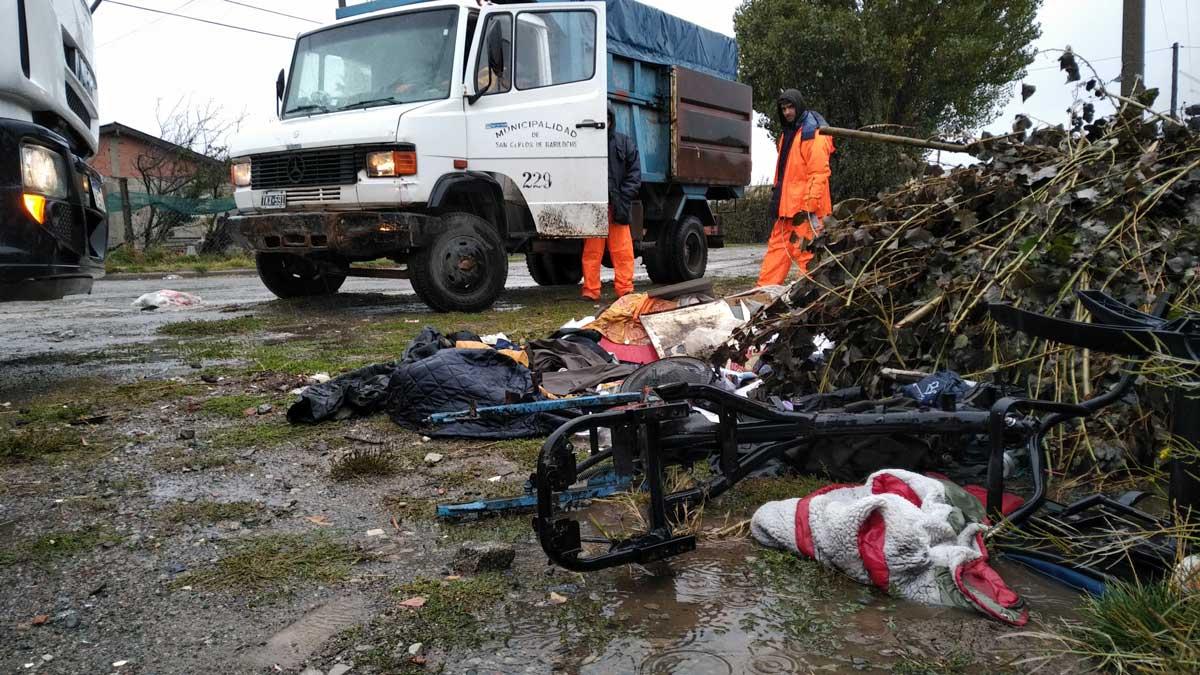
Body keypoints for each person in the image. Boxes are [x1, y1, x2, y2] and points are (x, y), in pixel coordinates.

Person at [757, 89, 835, 287]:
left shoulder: (813, 134)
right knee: (776, 255)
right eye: (783, 109)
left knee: (808, 260)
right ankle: (761, 298)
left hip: (807, 212)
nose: (787, 112)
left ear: (799, 106)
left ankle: (809, 306)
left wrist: (807, 209)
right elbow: (784, 175)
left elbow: (818, 174)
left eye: (790, 107)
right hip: (787, 209)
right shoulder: (789, 135)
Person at [582, 105, 641, 301]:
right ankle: (591, 291)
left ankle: (625, 290)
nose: (604, 122)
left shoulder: (624, 143)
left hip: (617, 206)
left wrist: (622, 198)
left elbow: (634, 175)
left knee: (623, 251)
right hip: (595, 207)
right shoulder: (587, 144)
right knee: (592, 252)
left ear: (611, 120)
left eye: (607, 118)